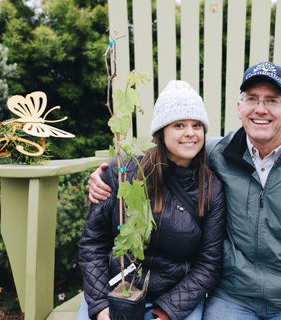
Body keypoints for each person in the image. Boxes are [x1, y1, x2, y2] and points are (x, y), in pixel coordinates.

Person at [88, 62, 281, 320]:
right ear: (239, 107)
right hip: (233, 297)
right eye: (252, 99)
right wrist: (106, 175)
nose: (261, 109)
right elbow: (167, 148)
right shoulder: (215, 153)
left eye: (272, 100)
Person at [78, 80, 226, 320]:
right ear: (161, 131)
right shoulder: (123, 172)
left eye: (197, 125)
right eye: (179, 124)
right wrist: (101, 308)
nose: (190, 133)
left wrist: (167, 313)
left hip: (176, 297)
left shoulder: (211, 189)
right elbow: (92, 245)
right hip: (116, 291)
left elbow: (208, 264)